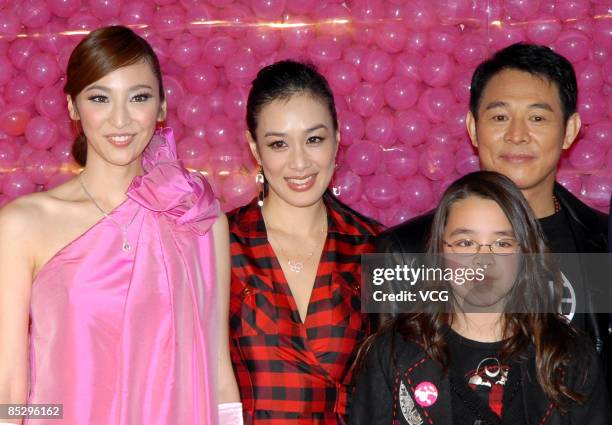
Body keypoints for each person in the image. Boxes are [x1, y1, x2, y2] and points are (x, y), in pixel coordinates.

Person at [0, 26, 241, 425]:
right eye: (99, 98)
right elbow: (9, 388)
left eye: (139, 97)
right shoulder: (24, 225)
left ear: (162, 107)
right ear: (73, 107)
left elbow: (217, 375)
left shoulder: (197, 218)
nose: (120, 119)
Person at [377, 43, 609, 370]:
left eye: (537, 117)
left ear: (569, 130)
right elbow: (388, 385)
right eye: (500, 116)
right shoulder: (402, 251)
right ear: (473, 127)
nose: (517, 135)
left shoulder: (603, 244)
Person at [350, 171, 611, 425]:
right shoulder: (393, 353)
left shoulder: (569, 355)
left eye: (502, 244)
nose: (483, 259)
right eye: (465, 243)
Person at [228, 60, 382, 425]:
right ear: (255, 148)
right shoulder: (220, 242)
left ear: (338, 136)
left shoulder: (375, 246)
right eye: (279, 143)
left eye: (314, 139)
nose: (299, 162)